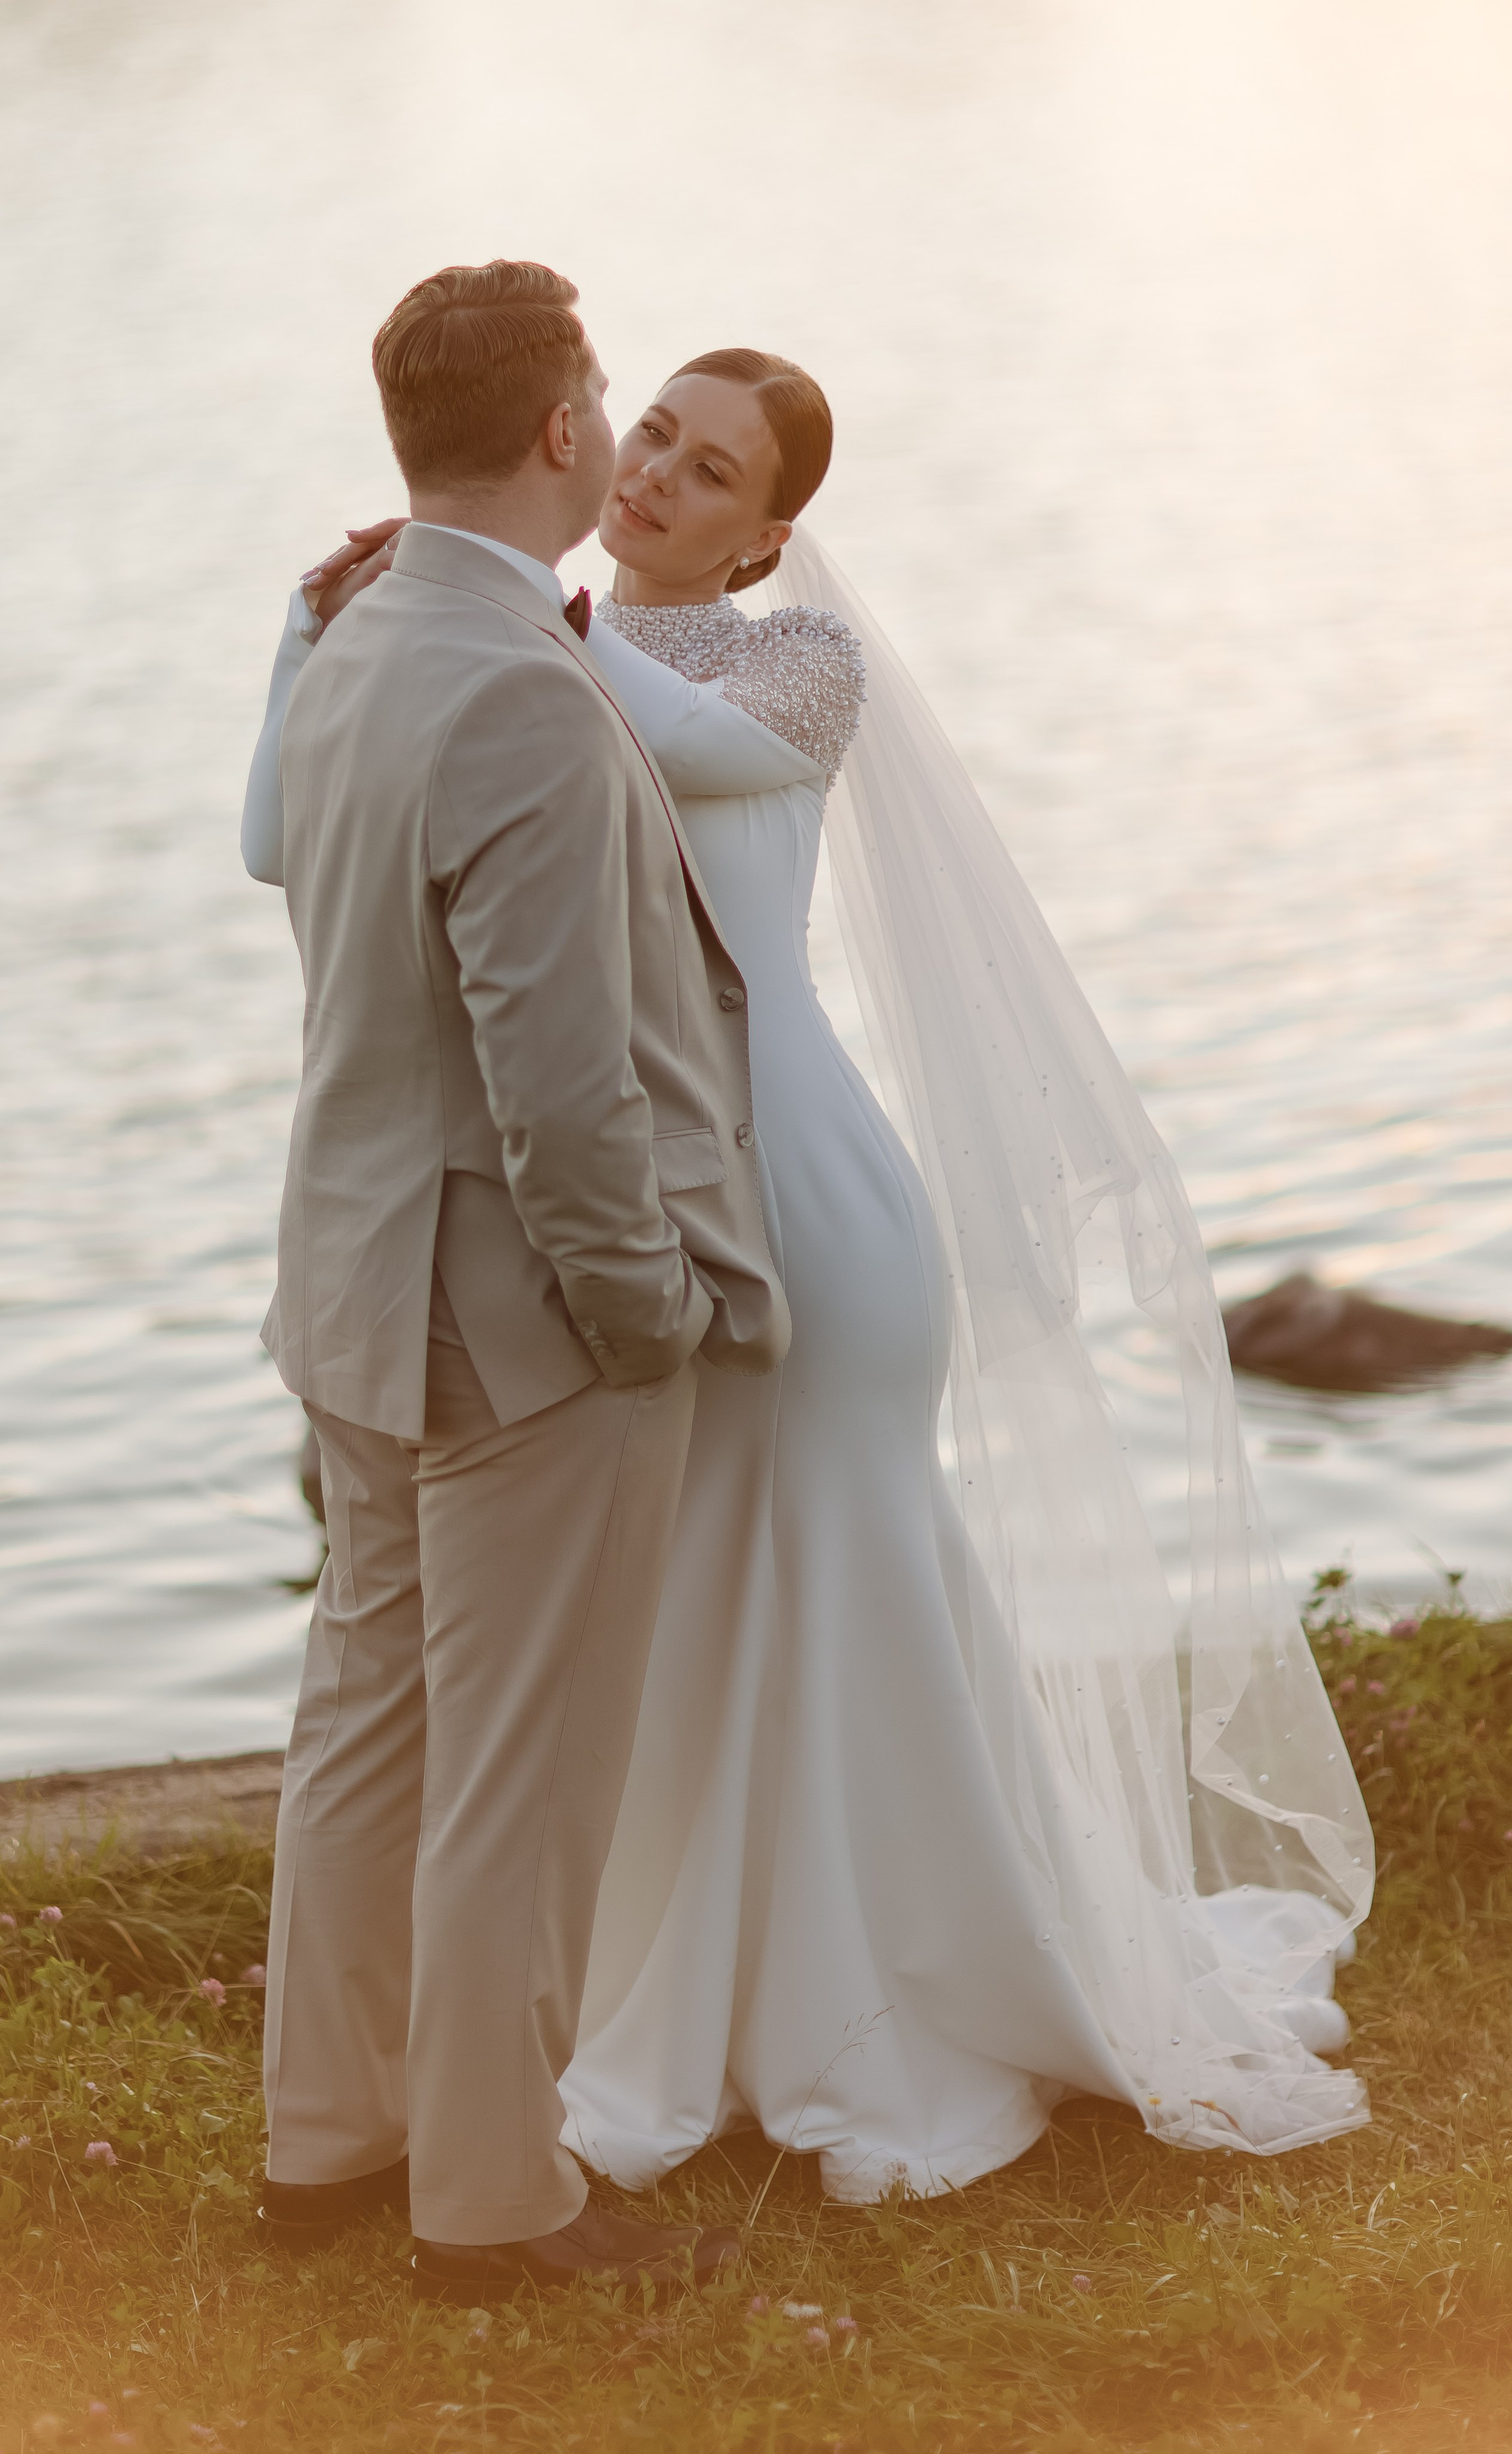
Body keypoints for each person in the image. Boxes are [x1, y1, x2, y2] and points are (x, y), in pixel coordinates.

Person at [247, 339, 1373, 2207]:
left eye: (710, 472)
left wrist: (463, 586)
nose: (663, 476)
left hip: (805, 1211)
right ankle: (690, 1990)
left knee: (838, 1577)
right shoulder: (536, 643)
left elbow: (635, 724)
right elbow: (332, 818)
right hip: (641, 1194)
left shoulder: (787, 672)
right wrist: (343, 632)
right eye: (658, 435)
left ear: (770, 538)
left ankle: (898, 1977)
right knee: (683, 1607)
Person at [248, 260, 789, 2299]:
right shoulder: (523, 697)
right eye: (607, 396)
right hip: (518, 1321)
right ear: (565, 430)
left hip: (351, 1281)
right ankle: (494, 2204)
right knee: (516, 1776)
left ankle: (328, 2151)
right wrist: (647, 1318)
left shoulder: (360, 636)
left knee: (369, 1722)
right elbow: (564, 1095)